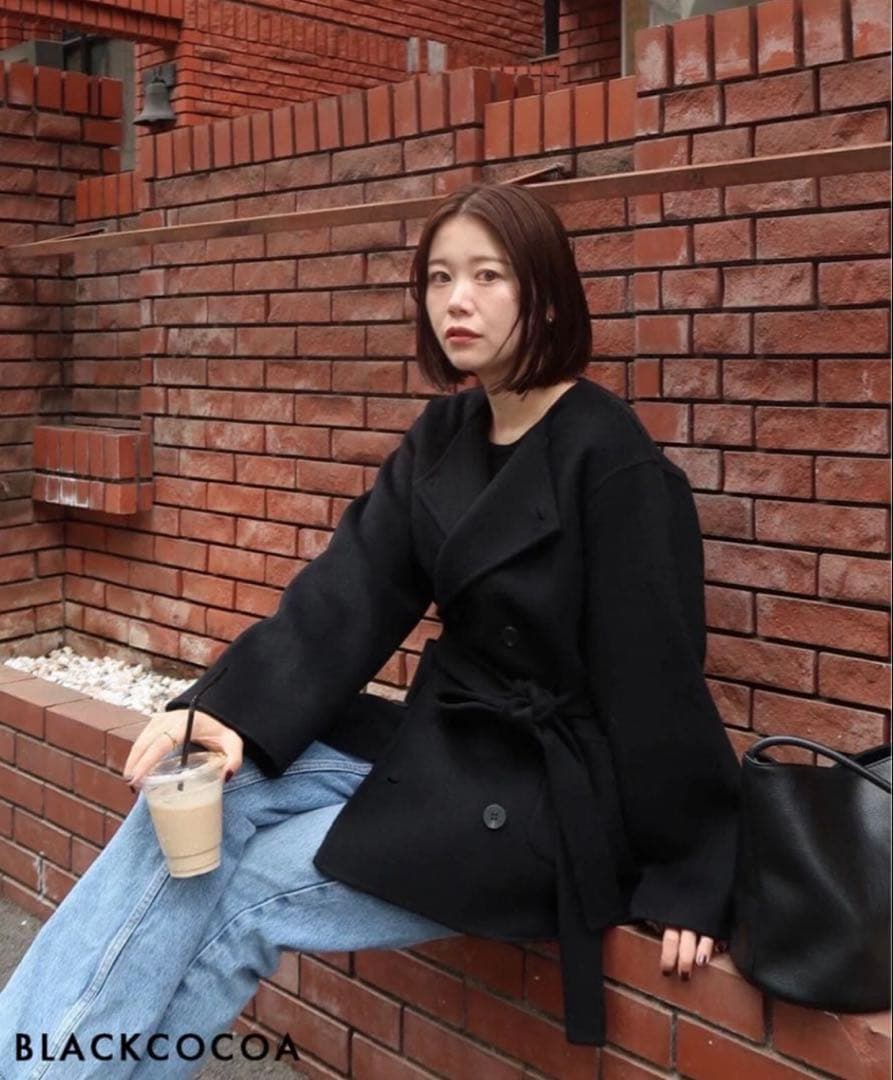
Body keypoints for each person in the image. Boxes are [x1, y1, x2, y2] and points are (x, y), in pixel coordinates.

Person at [0, 182, 740, 1076]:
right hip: (450, 750)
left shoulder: (609, 459)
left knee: (245, 895)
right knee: (199, 785)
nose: (456, 300)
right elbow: (351, 588)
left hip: (546, 799)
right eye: (439, 277)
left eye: (488, 276)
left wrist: (690, 869)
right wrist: (226, 709)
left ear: (544, 294)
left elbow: (656, 681)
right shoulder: (447, 432)